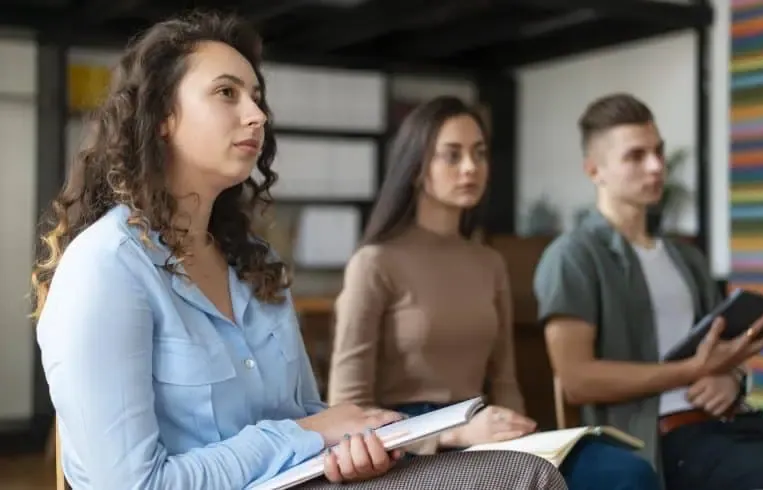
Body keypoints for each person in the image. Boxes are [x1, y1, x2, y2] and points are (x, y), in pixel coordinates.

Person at [32, 11, 566, 490]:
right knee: (521, 481)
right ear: (162, 116)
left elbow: (314, 418)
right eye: (226, 93)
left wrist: (346, 449)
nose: (257, 115)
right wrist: (305, 434)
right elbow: (131, 486)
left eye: (256, 96)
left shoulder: (253, 262)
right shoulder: (105, 267)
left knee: (526, 472)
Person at [328, 95, 659, 490]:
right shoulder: (375, 263)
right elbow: (346, 406)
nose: (471, 168)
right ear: (416, 167)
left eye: (479, 154)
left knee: (627, 473)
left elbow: (504, 381)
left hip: (484, 426)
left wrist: (519, 435)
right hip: (408, 444)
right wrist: (450, 434)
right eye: (452, 156)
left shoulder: (489, 263)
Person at [533, 92, 763, 490]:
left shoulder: (685, 257)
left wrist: (730, 378)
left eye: (658, 151)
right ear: (594, 170)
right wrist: (691, 371)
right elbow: (577, 379)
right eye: (635, 156)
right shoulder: (572, 256)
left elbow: (721, 352)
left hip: (731, 422)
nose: (657, 166)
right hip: (658, 439)